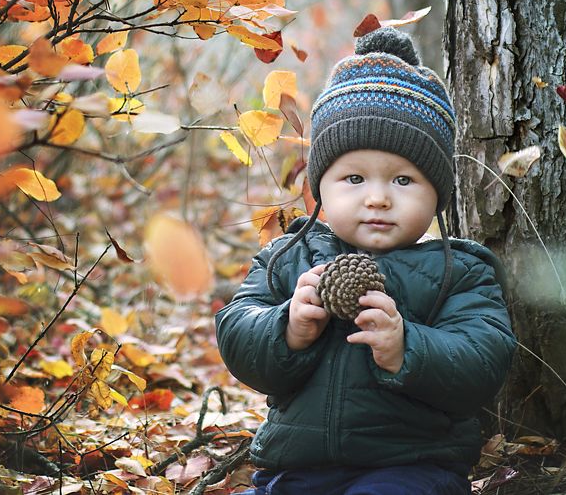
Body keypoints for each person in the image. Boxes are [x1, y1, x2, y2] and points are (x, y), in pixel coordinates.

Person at [215, 27, 516, 495]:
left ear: (437, 195)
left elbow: (482, 361)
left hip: (412, 467)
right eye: (354, 178)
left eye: (402, 181)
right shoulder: (289, 258)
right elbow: (236, 331)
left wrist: (405, 346)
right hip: (295, 468)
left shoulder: (459, 272)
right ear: (319, 189)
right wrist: (288, 327)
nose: (377, 199)